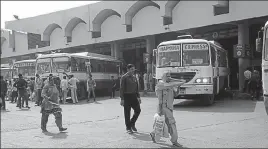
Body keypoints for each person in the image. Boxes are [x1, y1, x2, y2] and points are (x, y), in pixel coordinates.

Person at [150, 72, 186, 147]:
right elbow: (160, 99)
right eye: (167, 76)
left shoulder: (170, 85)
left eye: (170, 76)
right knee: (172, 124)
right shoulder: (160, 84)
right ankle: (174, 140)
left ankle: (153, 133)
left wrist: (178, 87)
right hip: (163, 107)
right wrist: (159, 110)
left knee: (161, 124)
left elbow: (175, 94)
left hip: (169, 107)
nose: (169, 78)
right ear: (163, 77)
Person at [120, 64, 141, 134]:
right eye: (131, 69)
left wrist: (138, 97)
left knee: (138, 110)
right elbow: (121, 89)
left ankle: (132, 123)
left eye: (133, 69)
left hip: (134, 96)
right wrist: (122, 99)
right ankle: (128, 128)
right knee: (127, 112)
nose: (133, 71)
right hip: (126, 96)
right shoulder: (124, 77)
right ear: (128, 70)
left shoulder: (134, 77)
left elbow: (137, 88)